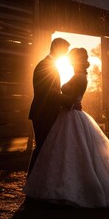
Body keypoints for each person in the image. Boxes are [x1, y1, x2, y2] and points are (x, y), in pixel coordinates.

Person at [23, 48, 109, 209]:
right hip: (68, 116)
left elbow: (69, 100)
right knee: (65, 153)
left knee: (70, 152)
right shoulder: (79, 75)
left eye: (71, 58)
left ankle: (70, 189)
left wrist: (62, 98)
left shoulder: (78, 77)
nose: (69, 61)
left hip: (70, 115)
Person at [27, 38, 76, 176]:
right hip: (43, 113)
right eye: (64, 51)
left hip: (46, 112)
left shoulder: (49, 64)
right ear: (57, 49)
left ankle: (37, 180)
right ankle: (32, 181)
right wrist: (69, 101)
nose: (65, 55)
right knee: (42, 147)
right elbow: (50, 92)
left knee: (45, 147)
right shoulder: (45, 66)